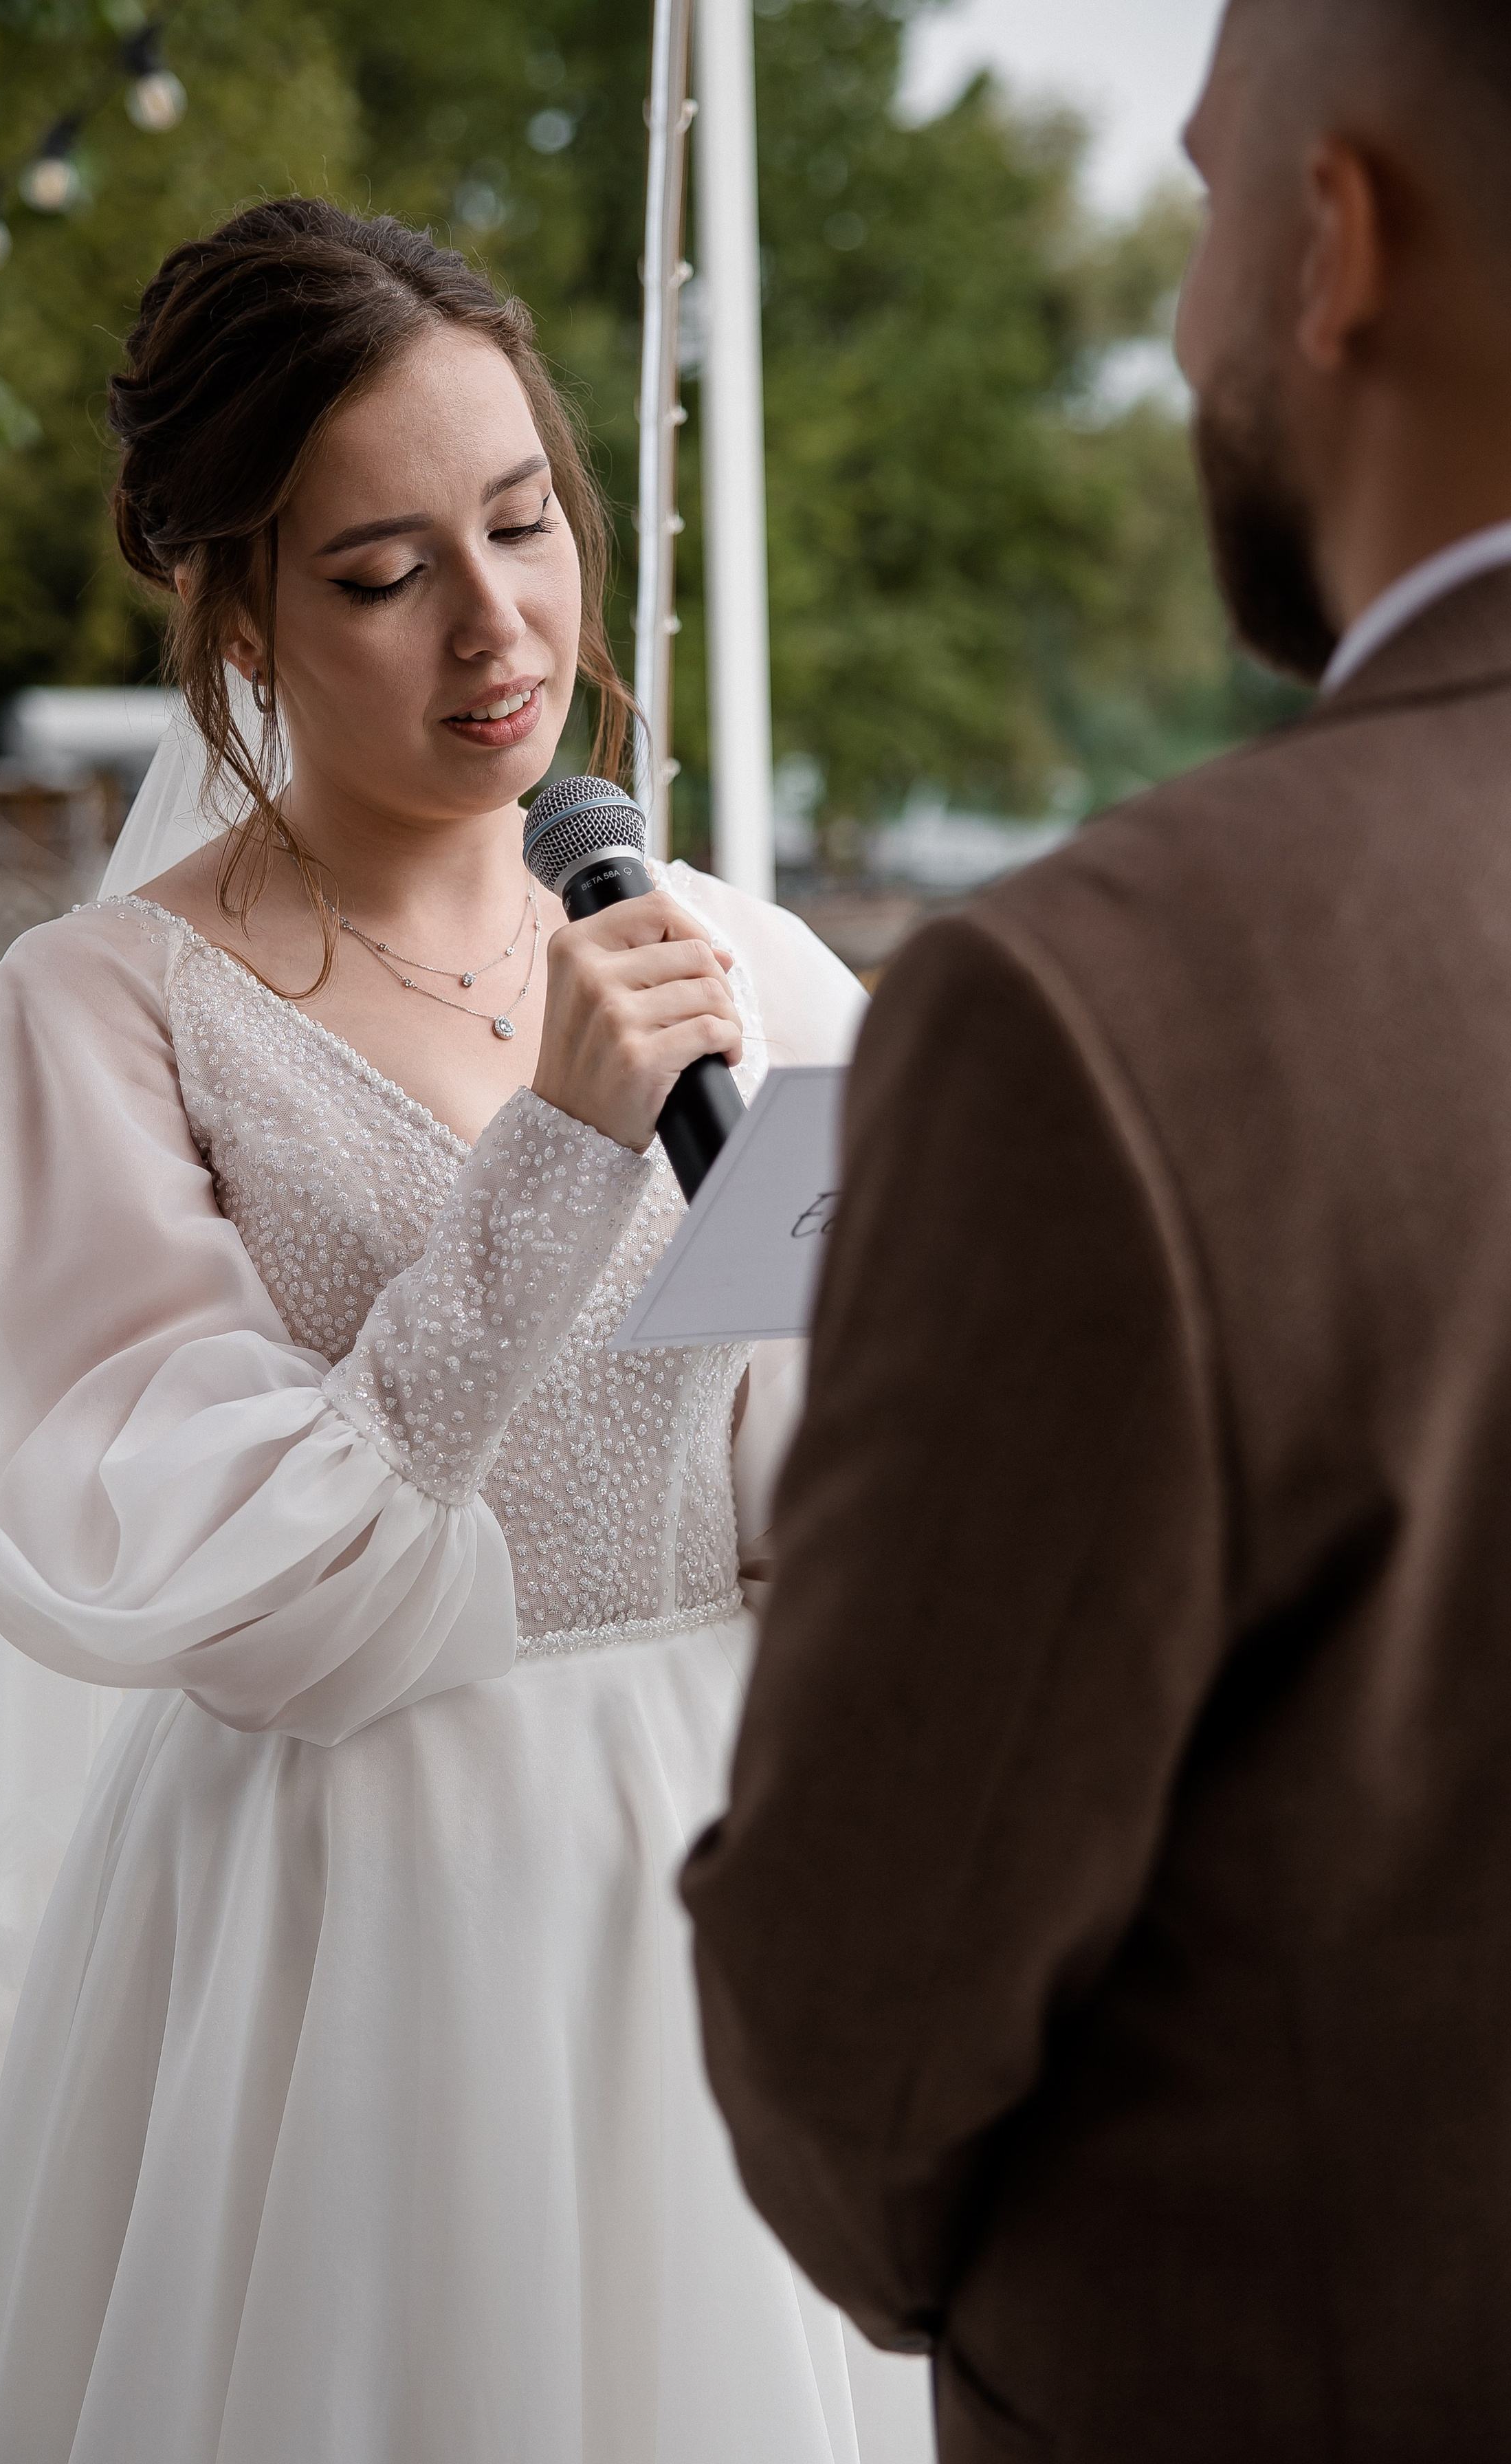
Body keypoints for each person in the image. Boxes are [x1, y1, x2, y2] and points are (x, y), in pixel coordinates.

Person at [0, 201, 934, 2461]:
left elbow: (841, 1452)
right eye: (382, 575)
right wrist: (552, 1156)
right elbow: (203, 1571)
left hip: (730, 1869)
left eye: (526, 521)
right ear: (226, 596)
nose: (500, 624)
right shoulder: (105, 1011)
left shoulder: (733, 951)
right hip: (364, 1933)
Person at [681, 2, 1511, 2457]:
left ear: (1332, 247)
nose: (1173, 320)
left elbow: (857, 2022)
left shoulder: (1104, 1009)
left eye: (1201, 209)